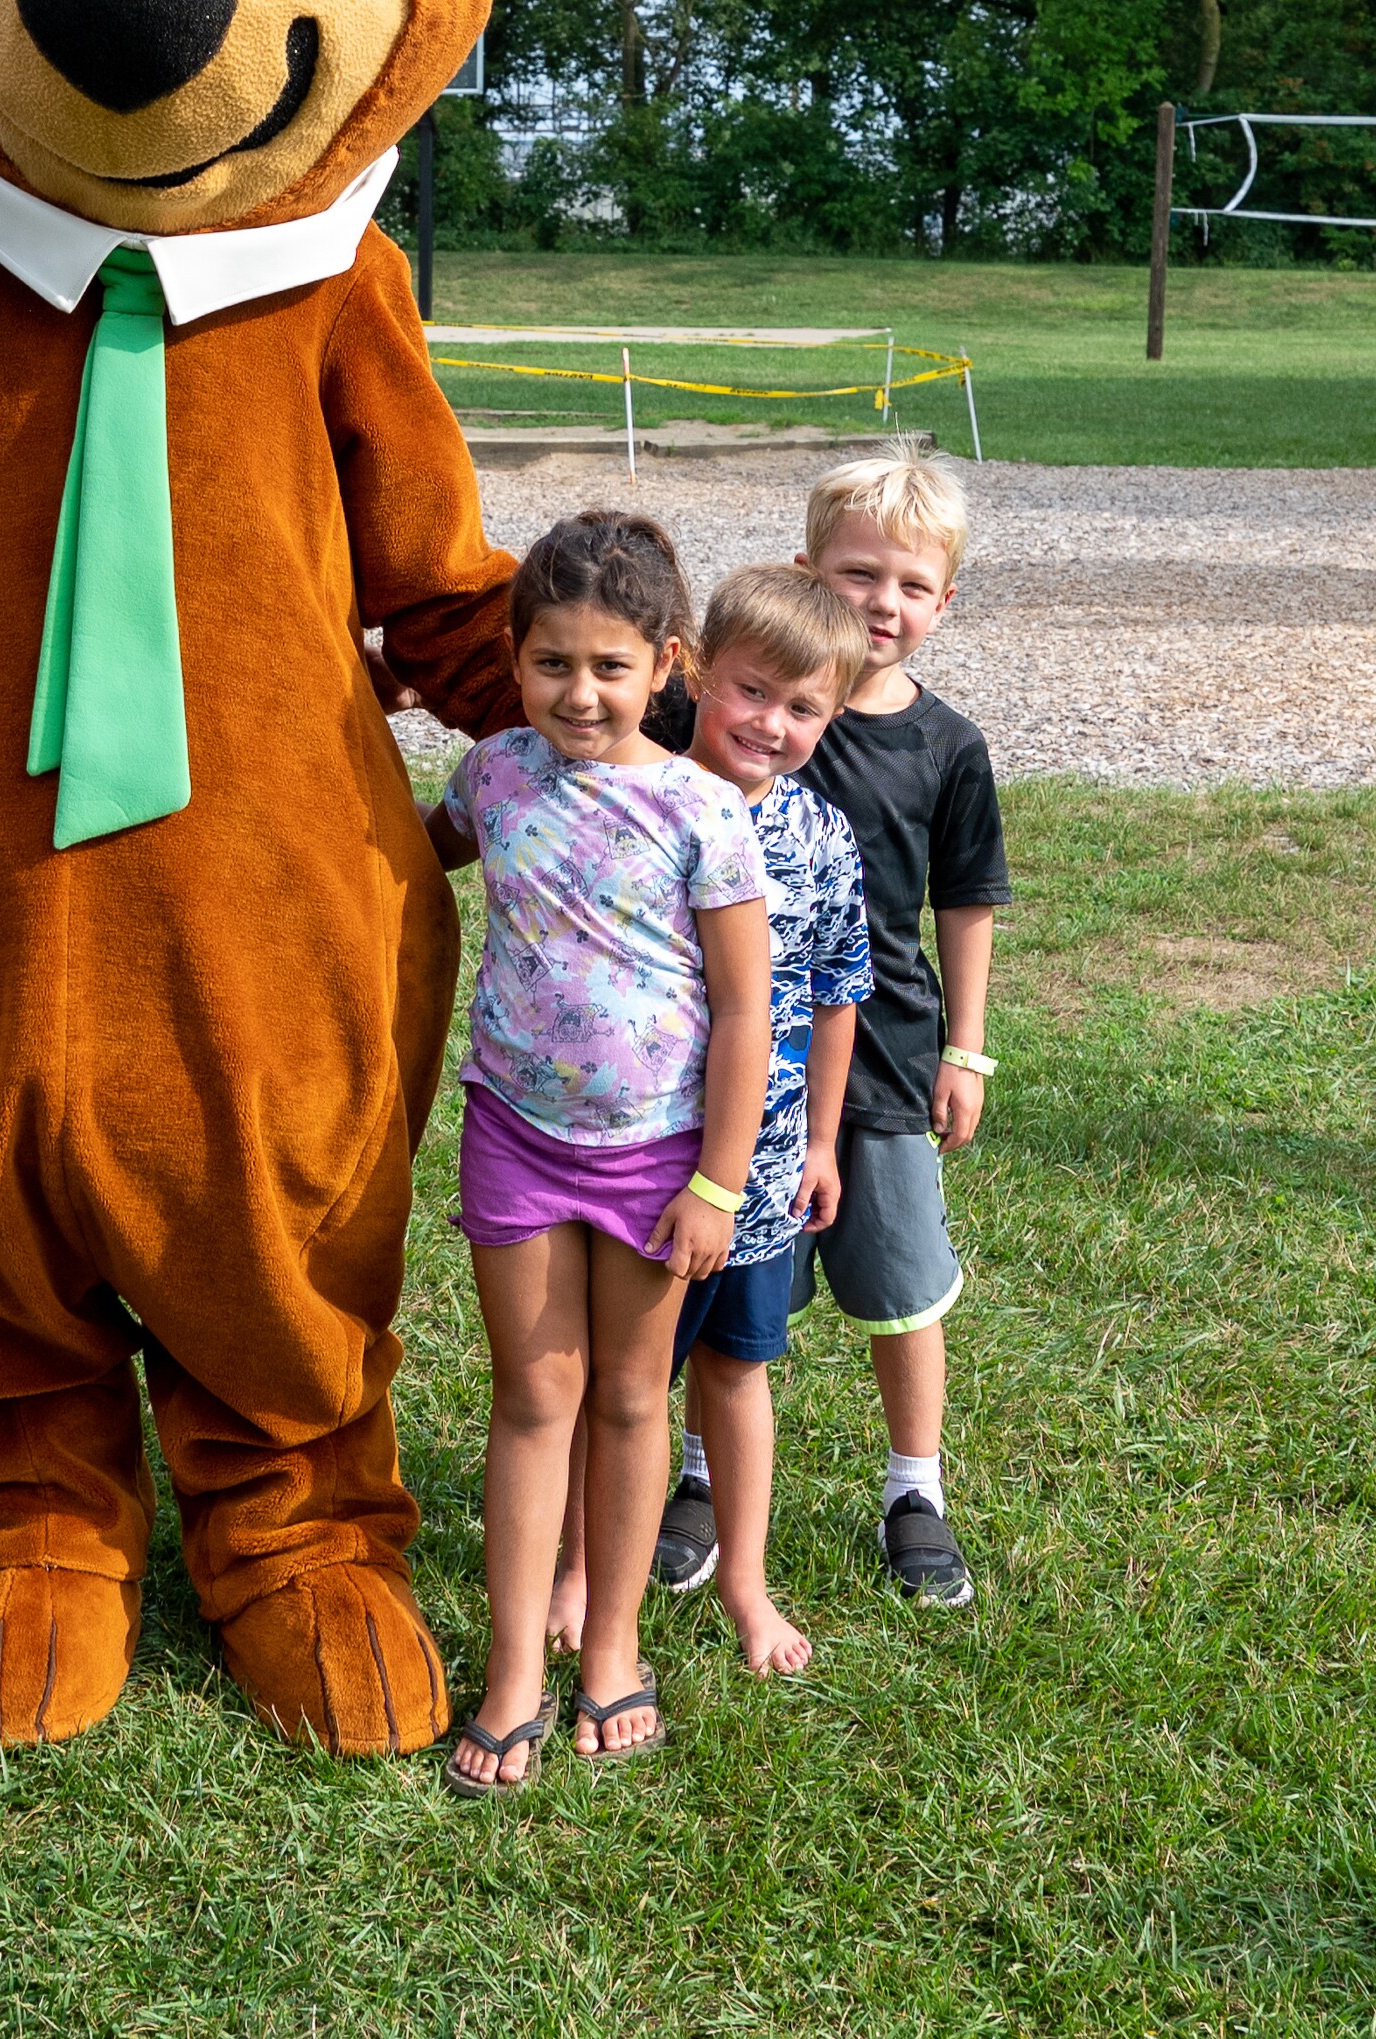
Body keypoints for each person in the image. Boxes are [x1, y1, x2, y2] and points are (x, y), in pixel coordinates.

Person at [424, 512, 772, 1794]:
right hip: (513, 1139)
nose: (579, 692)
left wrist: (718, 1182)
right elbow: (408, 862)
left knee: (629, 1399)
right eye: (551, 662)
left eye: (609, 666)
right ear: (513, 660)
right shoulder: (492, 775)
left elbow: (747, 1010)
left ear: (666, 663)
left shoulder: (703, 811)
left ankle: (611, 1649)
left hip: (655, 1161)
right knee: (531, 1398)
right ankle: (516, 1662)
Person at [790, 450, 1009, 1610]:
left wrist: (965, 1048)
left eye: (911, 584)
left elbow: (963, 898)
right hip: (746, 1065)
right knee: (733, 1297)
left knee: (905, 1288)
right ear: (803, 571)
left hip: (884, 1064)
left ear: (943, 602)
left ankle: (914, 1487)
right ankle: (696, 1470)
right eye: (856, 571)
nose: (882, 601)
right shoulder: (749, 711)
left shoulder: (946, 744)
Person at [650, 565, 874, 1676]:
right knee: (626, 1381)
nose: (771, 724)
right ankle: (587, 1568)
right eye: (751, 692)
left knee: (736, 1369)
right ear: (693, 671)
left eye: (803, 709)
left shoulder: (825, 837)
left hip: (766, 1161)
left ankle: (745, 1576)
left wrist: (823, 1140)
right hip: (636, 1157)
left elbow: (838, 992)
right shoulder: (638, 796)